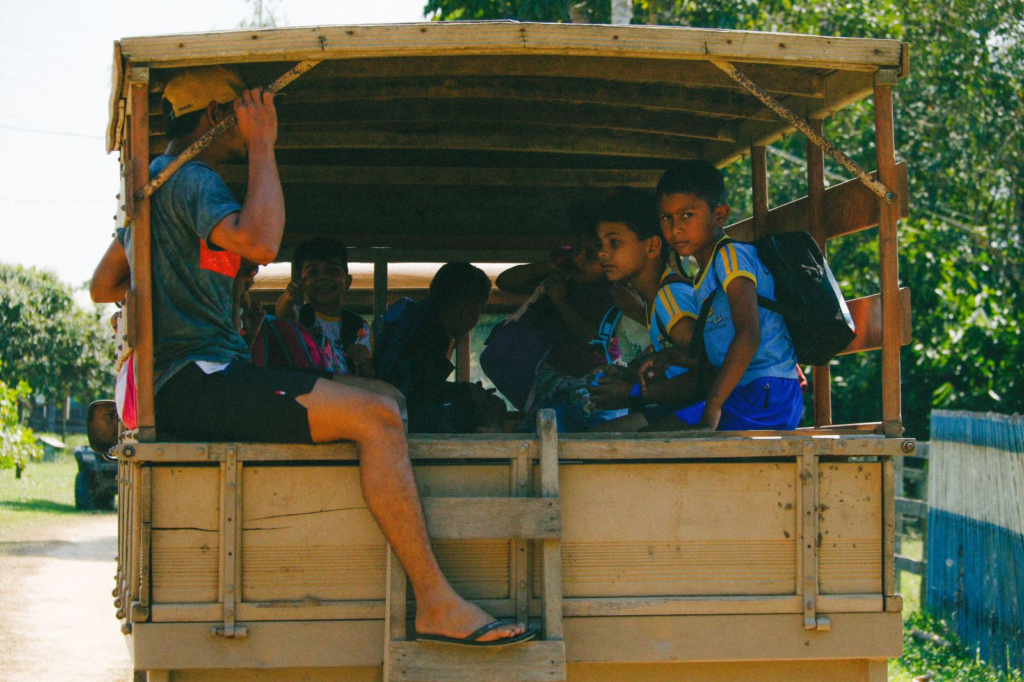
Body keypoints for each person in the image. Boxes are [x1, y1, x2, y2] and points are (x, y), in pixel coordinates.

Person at [88, 66, 531, 646]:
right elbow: (263, 242)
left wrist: (164, 281)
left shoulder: (152, 184)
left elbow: (103, 284)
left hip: (198, 379)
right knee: (377, 417)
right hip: (198, 379)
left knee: (385, 399)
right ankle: (436, 603)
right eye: (243, 113)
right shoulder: (195, 180)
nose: (250, 125)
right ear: (220, 116)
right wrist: (264, 146)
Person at [652, 160, 803, 431]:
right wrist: (670, 357)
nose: (675, 228)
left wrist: (713, 406)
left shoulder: (730, 256)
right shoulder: (704, 274)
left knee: (656, 440)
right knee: (653, 435)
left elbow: (749, 334)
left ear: (719, 215)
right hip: (753, 393)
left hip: (767, 392)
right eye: (667, 218)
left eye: (687, 215)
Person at [494, 216, 647, 432]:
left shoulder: (616, 293)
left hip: (599, 390)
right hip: (557, 389)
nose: (579, 259)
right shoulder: (562, 282)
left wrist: (561, 303)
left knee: (601, 441)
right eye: (577, 250)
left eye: (590, 256)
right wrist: (553, 265)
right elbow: (506, 282)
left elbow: (596, 340)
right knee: (536, 437)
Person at [587, 188, 705, 431]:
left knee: (602, 437)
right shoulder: (655, 300)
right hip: (686, 405)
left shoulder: (671, 298)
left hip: (707, 407)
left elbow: (709, 370)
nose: (602, 253)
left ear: (652, 247)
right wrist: (629, 375)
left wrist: (633, 393)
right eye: (601, 244)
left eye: (614, 242)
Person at [374, 262, 506, 434]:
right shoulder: (433, 331)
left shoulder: (409, 317)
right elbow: (420, 391)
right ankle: (488, 440)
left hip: (385, 412)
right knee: (495, 405)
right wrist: (468, 392)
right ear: (470, 313)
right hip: (407, 420)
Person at [274, 237, 373, 377]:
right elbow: (282, 314)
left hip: (347, 393)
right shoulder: (297, 316)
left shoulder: (359, 325)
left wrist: (363, 362)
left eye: (332, 271)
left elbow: (367, 378)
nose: (323, 277)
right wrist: (288, 296)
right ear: (301, 281)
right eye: (313, 272)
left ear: (348, 282)